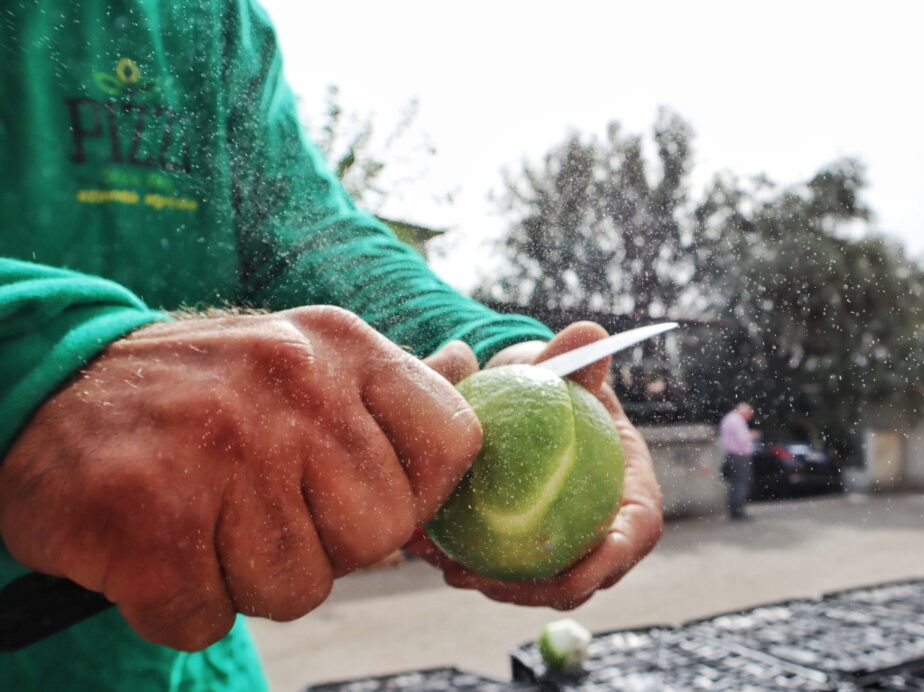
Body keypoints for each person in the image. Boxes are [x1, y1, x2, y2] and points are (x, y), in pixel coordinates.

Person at [0, 2, 664, 689]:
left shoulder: (209, 15)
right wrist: (38, 368)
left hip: (190, 667)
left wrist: (491, 350)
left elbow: (301, 232)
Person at [719, 403, 756, 520]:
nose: (750, 417)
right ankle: (738, 512)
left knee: (735, 484)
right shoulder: (737, 421)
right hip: (739, 456)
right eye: (749, 414)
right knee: (740, 484)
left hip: (732, 455)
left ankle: (735, 511)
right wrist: (752, 435)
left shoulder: (729, 418)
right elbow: (743, 439)